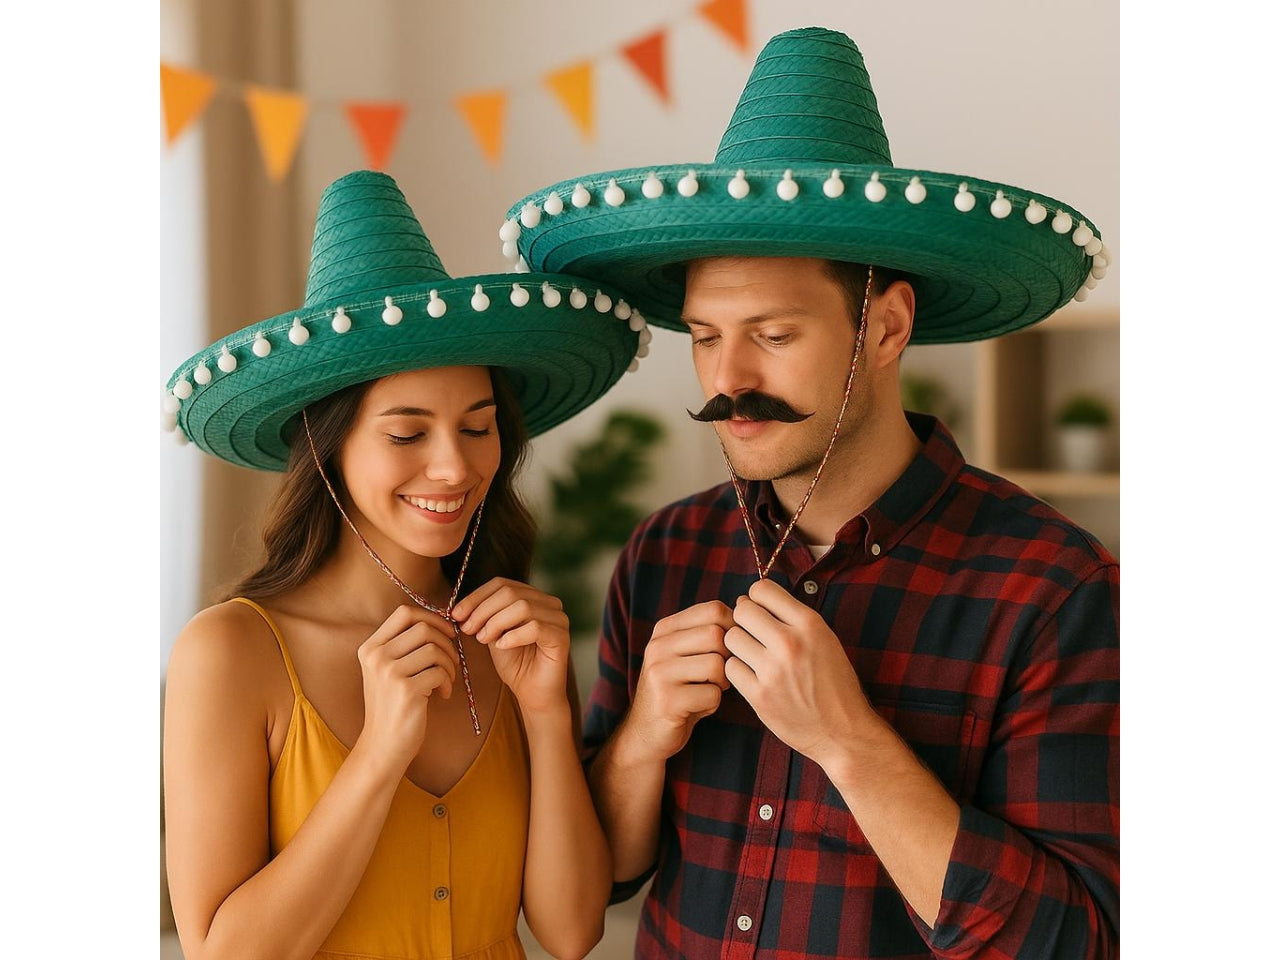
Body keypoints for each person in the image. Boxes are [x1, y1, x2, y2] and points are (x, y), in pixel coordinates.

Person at [500, 27, 1119, 960]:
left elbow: (1075, 943)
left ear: (887, 328)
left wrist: (848, 740)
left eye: (774, 335)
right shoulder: (665, 551)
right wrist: (641, 739)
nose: (728, 379)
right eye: (705, 336)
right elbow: (607, 876)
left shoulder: (1056, 588)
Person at [161, 170, 647, 960]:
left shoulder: (515, 639)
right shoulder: (230, 653)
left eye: (478, 428)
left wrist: (547, 716)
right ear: (329, 447)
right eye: (407, 433)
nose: (454, 467)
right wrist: (381, 751)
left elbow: (570, 932)